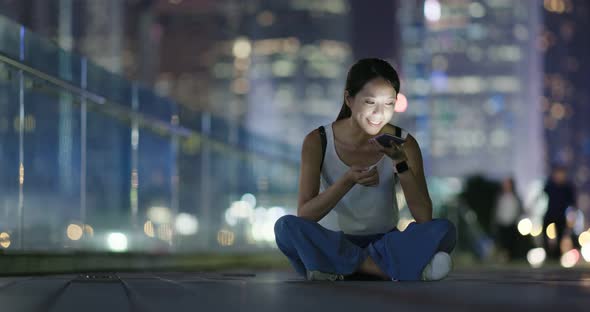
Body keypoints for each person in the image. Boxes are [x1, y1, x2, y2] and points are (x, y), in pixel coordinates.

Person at [274, 58, 456, 282]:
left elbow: (423, 216)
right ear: (349, 99)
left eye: (389, 103)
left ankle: (340, 268)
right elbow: (306, 214)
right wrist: (347, 180)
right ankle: (388, 268)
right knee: (285, 228)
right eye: (370, 102)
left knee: (444, 229)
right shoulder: (318, 141)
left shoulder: (404, 143)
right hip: (332, 240)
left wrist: (400, 162)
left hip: (385, 242)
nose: (380, 113)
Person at [542, 165, 576, 259]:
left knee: (560, 235)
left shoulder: (567, 187)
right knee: (544, 232)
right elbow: (544, 190)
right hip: (550, 213)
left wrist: (572, 216)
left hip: (561, 215)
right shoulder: (551, 184)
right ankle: (548, 252)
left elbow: (572, 202)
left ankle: (557, 255)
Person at [492, 177, 524, 261]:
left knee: (511, 242)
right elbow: (497, 210)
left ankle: (512, 257)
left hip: (512, 223)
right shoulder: (500, 197)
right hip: (502, 223)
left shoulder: (515, 197)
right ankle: (503, 257)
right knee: (502, 242)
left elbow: (519, 209)